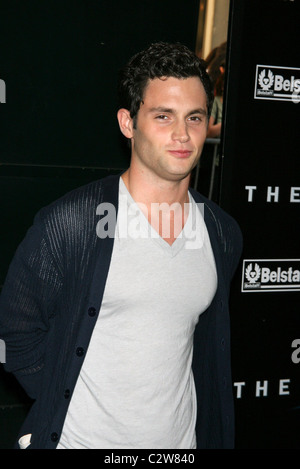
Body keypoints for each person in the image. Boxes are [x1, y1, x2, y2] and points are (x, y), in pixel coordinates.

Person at [0, 42, 242, 449]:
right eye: (163, 116)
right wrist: (64, 393)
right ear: (128, 123)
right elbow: (14, 333)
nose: (182, 134)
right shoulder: (72, 224)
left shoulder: (221, 232)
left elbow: (204, 351)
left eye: (194, 117)